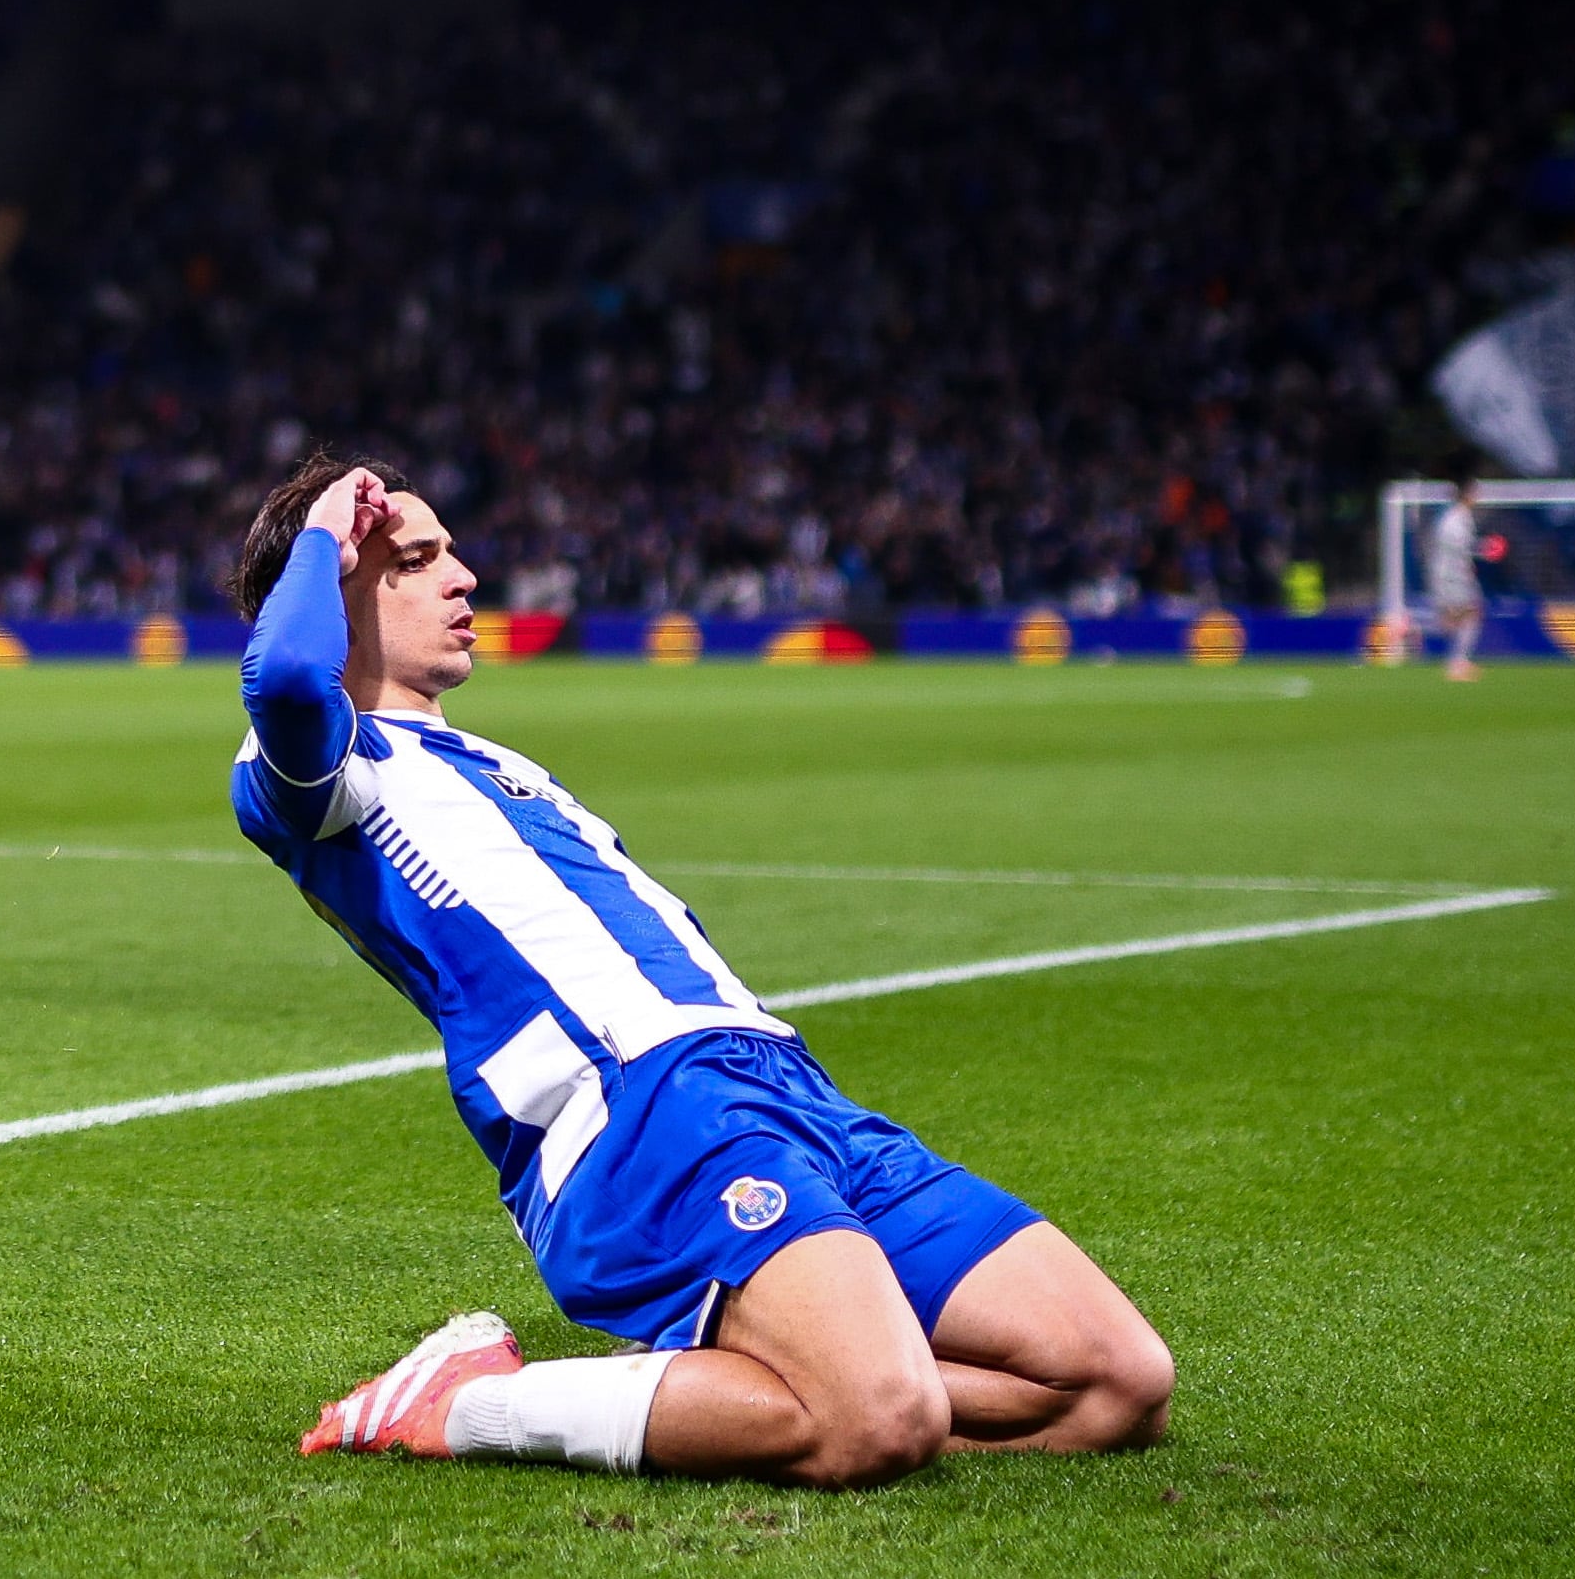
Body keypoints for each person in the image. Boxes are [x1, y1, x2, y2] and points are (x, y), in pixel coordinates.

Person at [230, 457, 1172, 1487]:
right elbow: (286, 679)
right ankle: (460, 1403)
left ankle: (753, 1376)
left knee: (1116, 1383)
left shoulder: (494, 762)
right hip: (639, 1107)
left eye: (452, 551)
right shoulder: (322, 777)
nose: (464, 577)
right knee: (878, 1420)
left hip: (786, 1086)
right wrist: (322, 526)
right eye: (415, 561)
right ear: (331, 595)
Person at [1428, 477, 1485, 682]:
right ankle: (1457, 663)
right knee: (1466, 615)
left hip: (1453, 576)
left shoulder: (1459, 517)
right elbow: (1458, 549)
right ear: (1467, 495)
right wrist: (1484, 549)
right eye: (1476, 493)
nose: (1478, 497)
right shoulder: (1455, 520)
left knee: (1456, 619)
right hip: (1452, 578)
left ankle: (1458, 662)